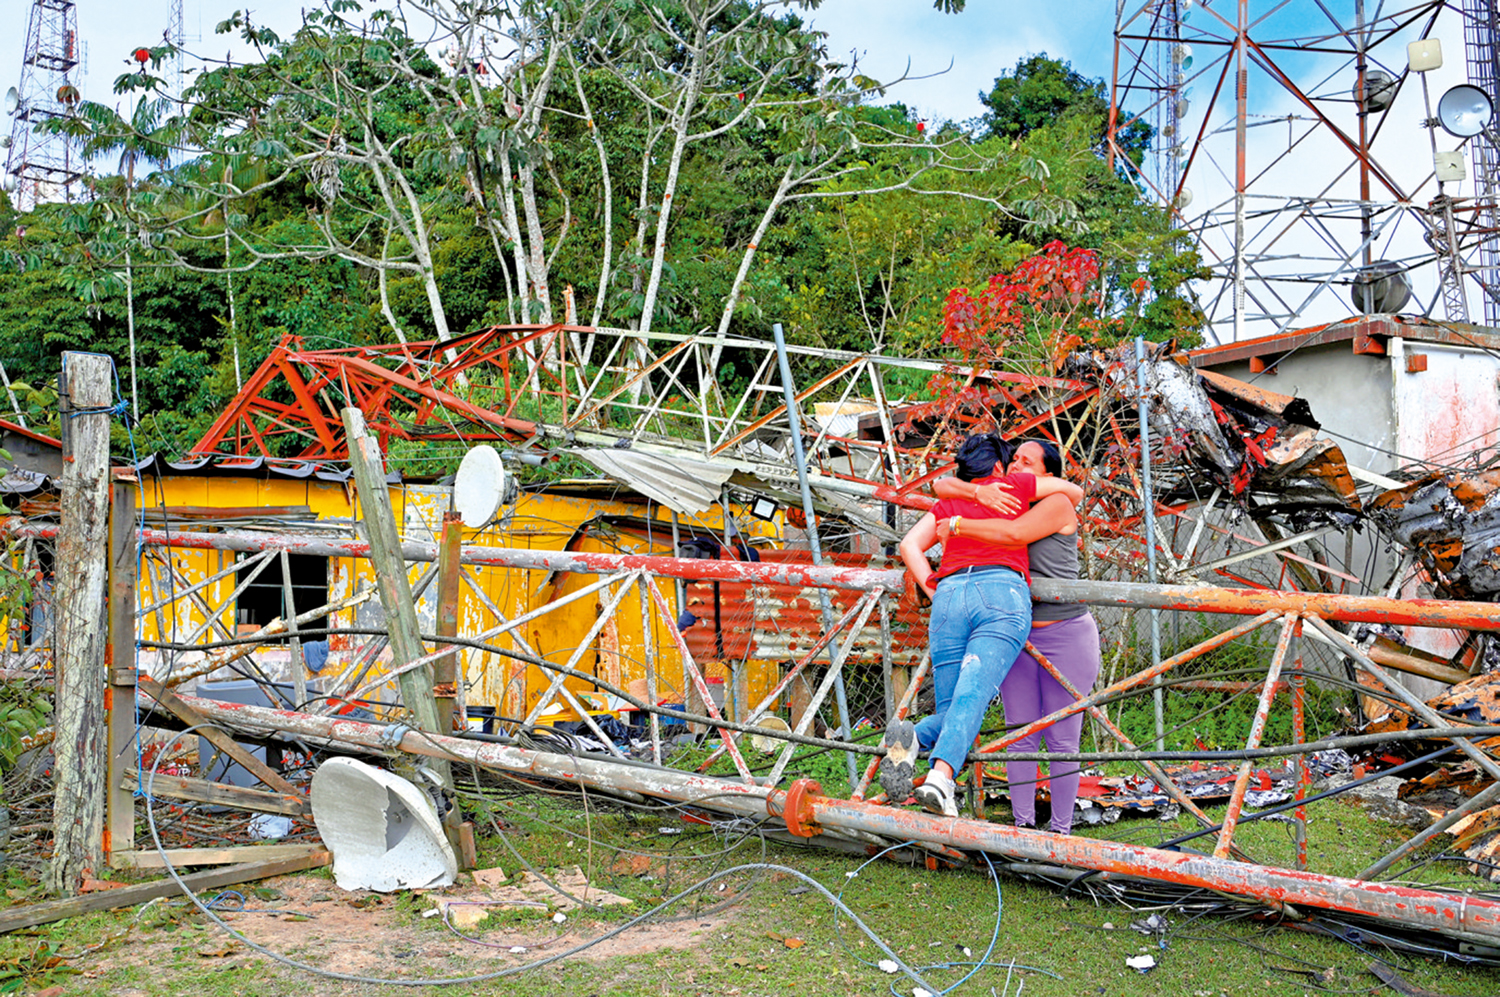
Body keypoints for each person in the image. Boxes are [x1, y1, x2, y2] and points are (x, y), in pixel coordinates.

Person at [881, 434, 1082, 818]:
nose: (1016, 468)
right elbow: (1071, 490)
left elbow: (909, 544)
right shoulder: (1013, 486)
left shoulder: (950, 499)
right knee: (972, 696)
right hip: (998, 592)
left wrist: (931, 586)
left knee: (953, 707)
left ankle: (910, 742)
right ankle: (941, 780)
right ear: (996, 467)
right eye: (1011, 461)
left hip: (950, 597)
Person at [933, 439, 1101, 834]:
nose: (1014, 467)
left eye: (1026, 462)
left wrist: (957, 525)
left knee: (1062, 740)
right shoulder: (1004, 496)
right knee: (1020, 734)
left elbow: (1014, 535)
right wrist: (976, 490)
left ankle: (1060, 830)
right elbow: (943, 485)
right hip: (1018, 633)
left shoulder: (1056, 503)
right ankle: (1021, 826)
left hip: (1066, 632)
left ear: (1047, 475)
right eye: (1014, 461)